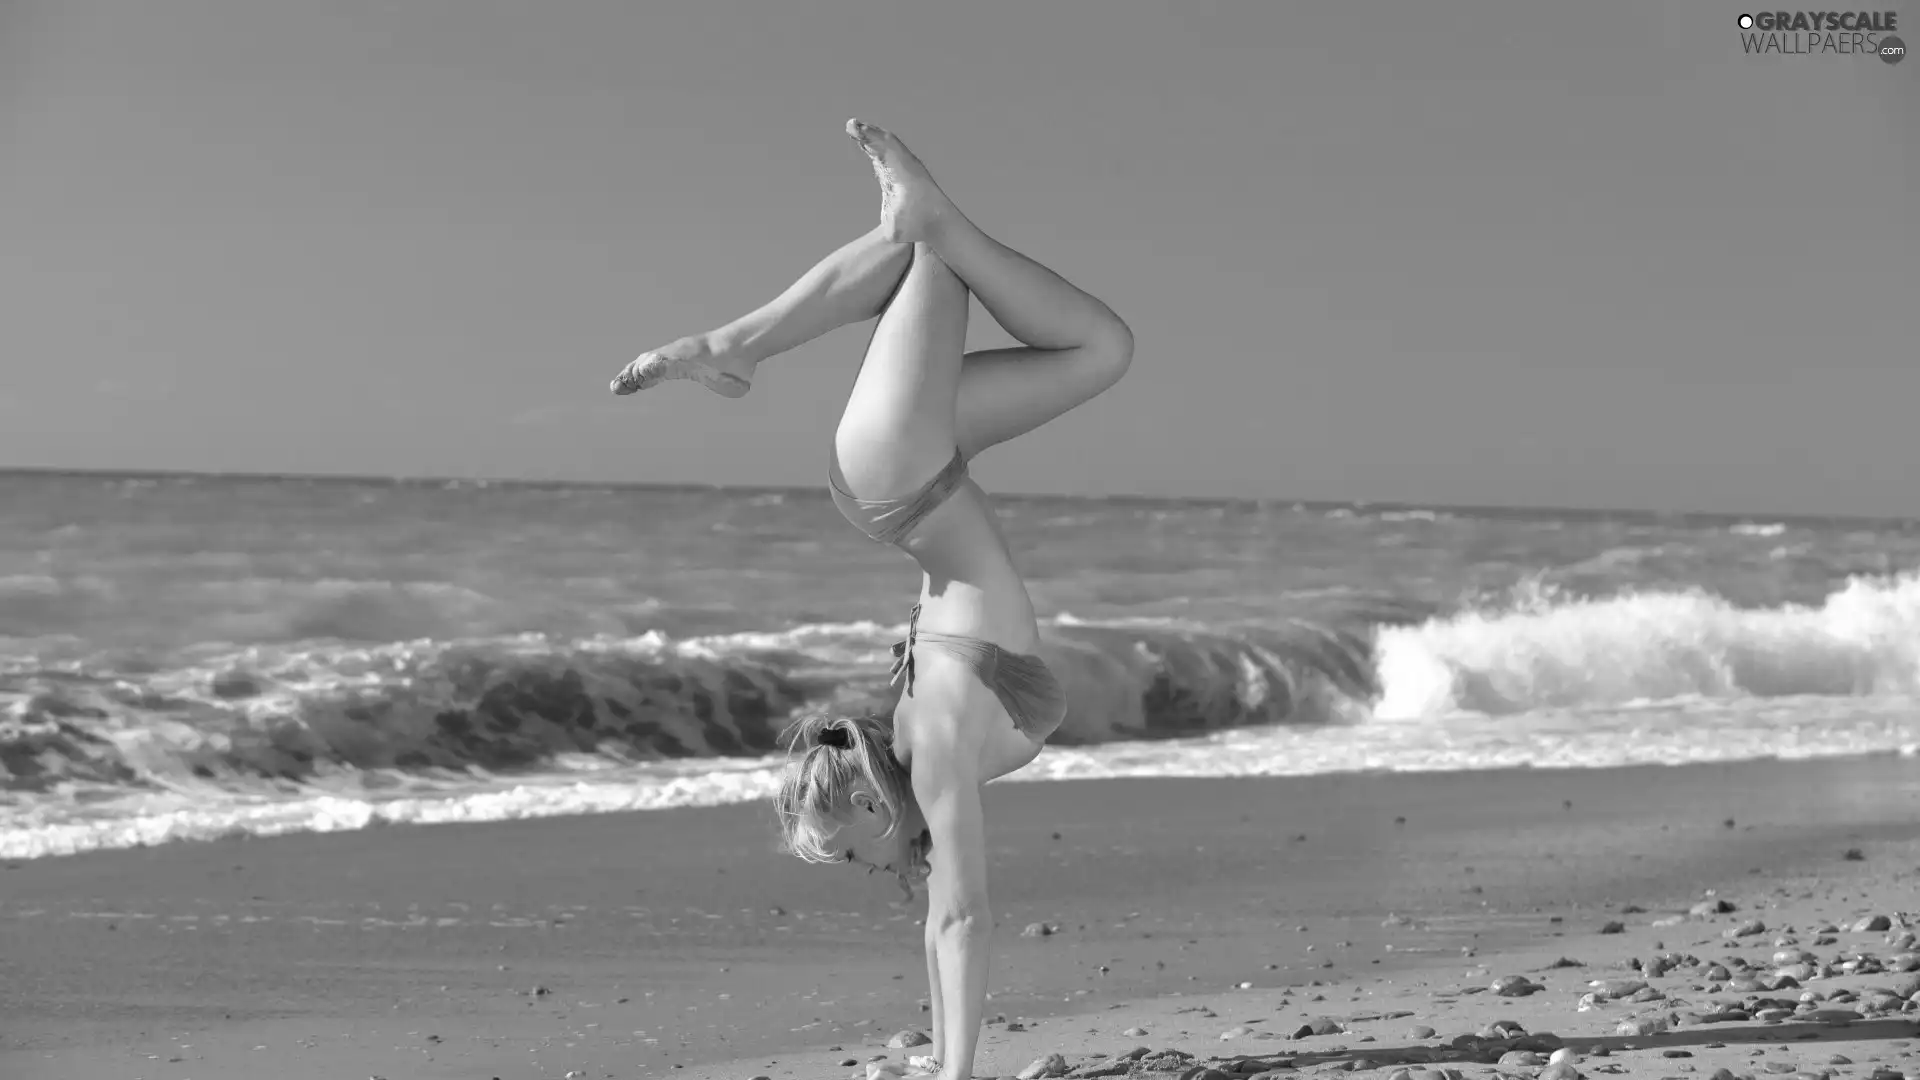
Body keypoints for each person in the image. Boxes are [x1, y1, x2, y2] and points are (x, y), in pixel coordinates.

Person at [610, 120, 1133, 1080]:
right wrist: (943, 1061)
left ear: (866, 797)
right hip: (917, 471)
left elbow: (966, 917)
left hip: (904, 472)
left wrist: (956, 1076)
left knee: (931, 247)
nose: (860, 870)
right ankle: (738, 346)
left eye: (846, 852)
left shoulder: (932, 741)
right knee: (1099, 348)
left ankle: (733, 346)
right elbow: (944, 921)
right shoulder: (931, 752)